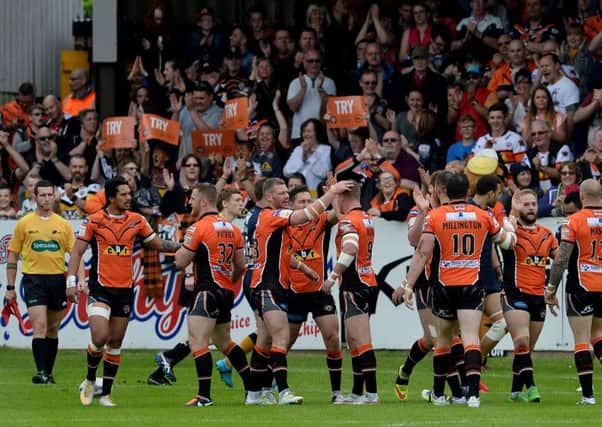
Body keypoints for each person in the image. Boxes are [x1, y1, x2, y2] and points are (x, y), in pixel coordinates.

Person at [398, 173, 516, 408]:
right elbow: (507, 242)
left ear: (445, 192)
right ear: (467, 192)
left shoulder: (435, 216)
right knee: (471, 337)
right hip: (471, 284)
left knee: (443, 339)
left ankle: (439, 395)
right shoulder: (483, 215)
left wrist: (407, 285)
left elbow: (422, 253)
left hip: (443, 285)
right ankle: (473, 395)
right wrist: (511, 227)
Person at [71, 177, 181, 407]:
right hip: (100, 288)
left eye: (129, 193)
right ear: (111, 197)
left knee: (116, 342)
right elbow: (77, 251)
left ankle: (106, 395)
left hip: (124, 290)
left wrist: (185, 247)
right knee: (100, 338)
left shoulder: (137, 220)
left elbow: (158, 244)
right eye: (123, 194)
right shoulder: (94, 221)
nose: (129, 197)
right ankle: (90, 380)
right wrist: (71, 282)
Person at [246, 177, 353, 405]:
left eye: (288, 192)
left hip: (296, 289)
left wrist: (305, 268)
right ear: (268, 196)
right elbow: (302, 216)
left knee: (267, 342)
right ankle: (281, 391)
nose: (286, 196)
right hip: (272, 287)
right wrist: (332, 191)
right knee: (281, 338)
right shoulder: (274, 217)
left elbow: (285, 255)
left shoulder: (269, 220)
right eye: (283, 193)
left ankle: (256, 393)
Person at [172, 183, 252, 407]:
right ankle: (252, 388)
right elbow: (241, 265)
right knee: (224, 341)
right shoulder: (232, 229)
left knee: (198, 341)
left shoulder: (198, 228)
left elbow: (181, 261)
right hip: (225, 292)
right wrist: (230, 283)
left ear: (204, 201)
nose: (190, 202)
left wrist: (178, 251)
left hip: (206, 290)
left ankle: (204, 396)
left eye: (194, 198)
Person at [4, 180, 75, 384]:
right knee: (40, 326)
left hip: (57, 280)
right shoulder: (24, 223)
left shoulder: (63, 225)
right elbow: (12, 257)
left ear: (55, 196)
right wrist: (10, 287)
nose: (45, 199)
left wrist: (74, 281)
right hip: (33, 280)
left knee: (52, 329)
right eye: (41, 195)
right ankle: (41, 371)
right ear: (34, 197)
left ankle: (49, 373)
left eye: (49, 195)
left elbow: (75, 255)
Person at [282, 185, 344, 403]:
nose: (307, 205)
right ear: (291, 205)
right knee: (283, 343)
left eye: (310, 201)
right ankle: (277, 386)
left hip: (319, 291)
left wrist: (334, 193)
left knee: (333, 339)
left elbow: (339, 214)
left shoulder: (320, 220)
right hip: (293, 292)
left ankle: (336, 393)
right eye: (302, 201)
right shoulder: (285, 223)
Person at [321, 179, 379, 404]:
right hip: (368, 281)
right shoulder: (364, 217)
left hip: (354, 285)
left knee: (361, 340)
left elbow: (350, 248)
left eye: (336, 197)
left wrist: (332, 276)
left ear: (344, 197)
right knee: (355, 341)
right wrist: (334, 194)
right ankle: (357, 393)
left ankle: (372, 394)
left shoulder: (348, 222)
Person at [545, 179, 602, 405]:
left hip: (581, 285)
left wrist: (551, 288)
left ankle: (588, 396)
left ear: (581, 198)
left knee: (581, 340)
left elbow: (561, 258)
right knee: (597, 335)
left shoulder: (574, 221)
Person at [392, 171, 448, 401]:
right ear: (434, 188)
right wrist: (425, 211)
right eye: (441, 187)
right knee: (434, 338)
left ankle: (450, 390)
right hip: (425, 280)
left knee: (443, 338)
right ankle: (409, 373)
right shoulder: (418, 209)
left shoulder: (452, 210)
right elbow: (415, 241)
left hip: (451, 278)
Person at [501, 189, 557, 402]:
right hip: (514, 293)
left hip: (538, 297)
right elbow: (502, 233)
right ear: (517, 206)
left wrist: (551, 290)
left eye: (533, 203)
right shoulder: (511, 232)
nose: (531, 207)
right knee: (522, 341)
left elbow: (559, 261)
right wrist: (512, 213)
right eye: (526, 204)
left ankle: (515, 392)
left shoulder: (547, 234)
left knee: (525, 349)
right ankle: (532, 389)